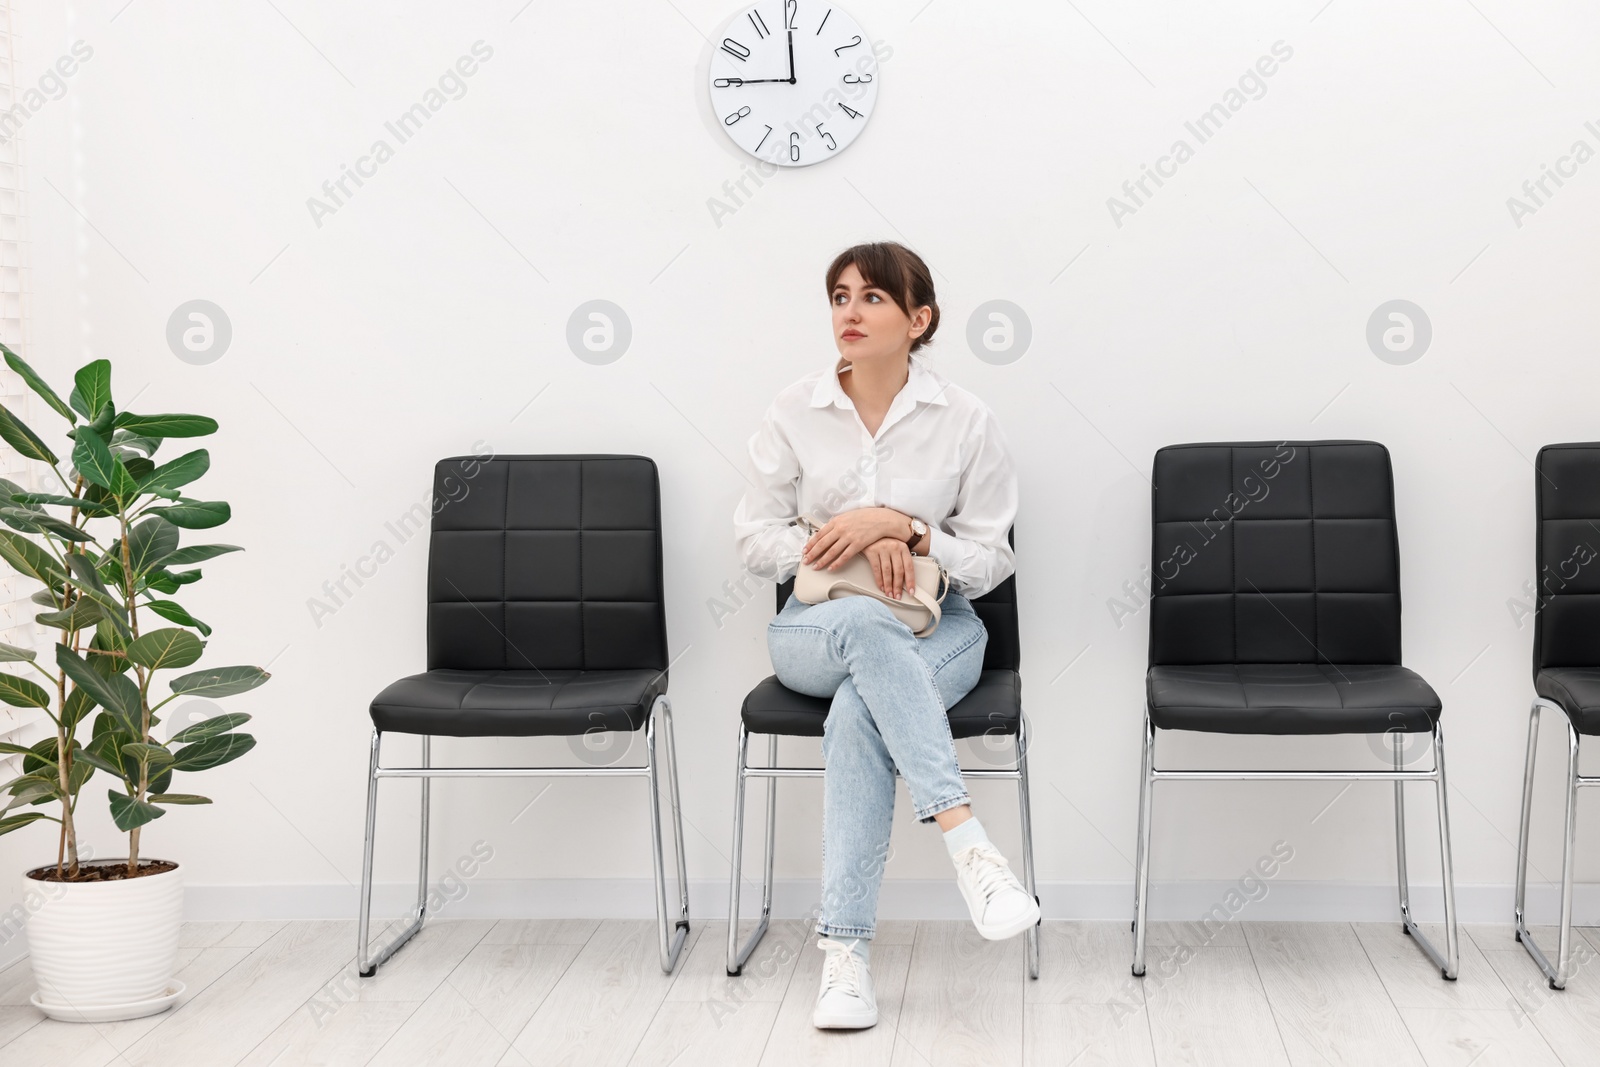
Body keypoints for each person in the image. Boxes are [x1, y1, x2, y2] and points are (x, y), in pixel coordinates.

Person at [732, 240, 1038, 1030]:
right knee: (865, 623)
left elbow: (993, 558)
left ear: (918, 318)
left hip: (942, 628)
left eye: (871, 298)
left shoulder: (966, 419)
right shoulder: (794, 409)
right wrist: (848, 537)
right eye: (839, 297)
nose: (850, 313)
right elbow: (750, 535)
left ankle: (844, 959)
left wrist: (911, 529)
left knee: (858, 713)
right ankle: (968, 840)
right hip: (815, 626)